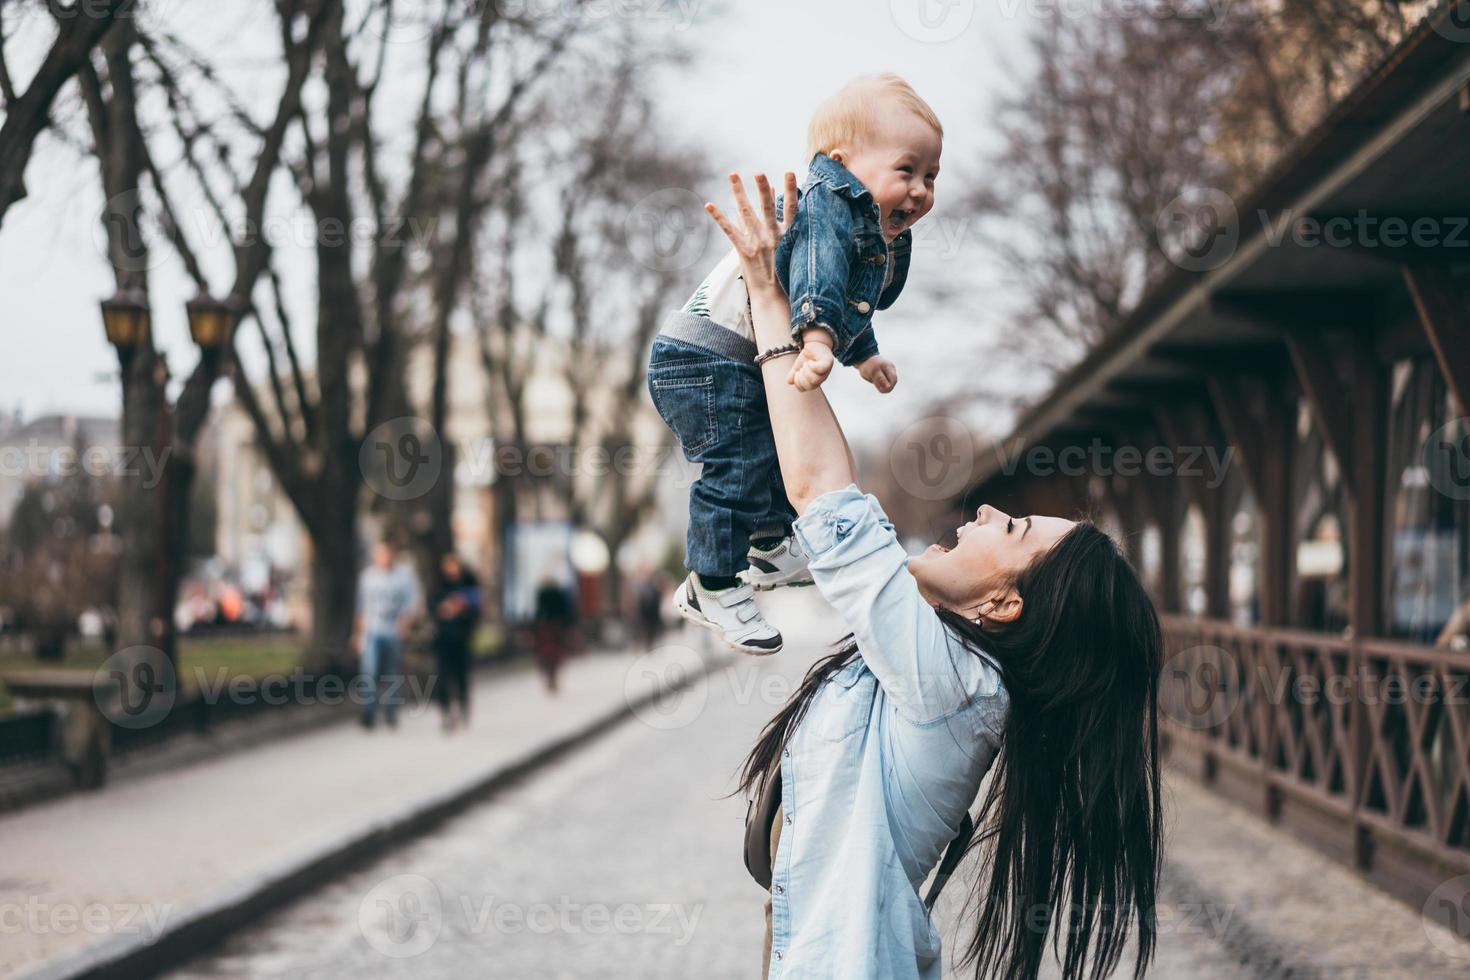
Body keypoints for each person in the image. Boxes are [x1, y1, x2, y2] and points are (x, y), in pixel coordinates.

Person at [707, 174, 1163, 980]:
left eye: (1011, 530)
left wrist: (769, 295)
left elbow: (823, 493)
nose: (985, 512)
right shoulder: (940, 672)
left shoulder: (955, 685)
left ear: (1003, 602)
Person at [648, 74, 943, 656]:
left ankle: (768, 544)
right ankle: (710, 581)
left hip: (727, 358)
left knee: (774, 447)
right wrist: (817, 340)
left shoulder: (865, 224)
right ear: (844, 163)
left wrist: (864, 354)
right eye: (906, 170)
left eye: (932, 176)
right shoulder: (827, 208)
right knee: (738, 462)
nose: (921, 191)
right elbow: (815, 276)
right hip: (706, 356)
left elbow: (844, 293)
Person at [351, 540, 421, 730]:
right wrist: (358, 634)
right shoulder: (368, 577)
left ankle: (391, 712)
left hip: (393, 631)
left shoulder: (404, 577)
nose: (382, 558)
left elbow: (412, 604)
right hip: (372, 630)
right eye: (379, 554)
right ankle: (369, 713)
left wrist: (405, 624)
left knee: (391, 673)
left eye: (386, 554)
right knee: (369, 671)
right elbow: (362, 607)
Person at [432, 553, 481, 731]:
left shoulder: (468, 587)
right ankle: (445, 712)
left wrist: (462, 609)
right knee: (443, 677)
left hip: (462, 638)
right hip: (443, 640)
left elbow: (476, 611)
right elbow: (433, 610)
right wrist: (444, 610)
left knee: (461, 677)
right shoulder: (440, 588)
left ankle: (463, 706)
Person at [532, 578, 576, 695]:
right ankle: (554, 679)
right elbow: (566, 610)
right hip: (558, 626)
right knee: (556, 654)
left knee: (547, 655)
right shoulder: (560, 594)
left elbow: (539, 611)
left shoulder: (542, 594)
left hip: (547, 626)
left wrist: (536, 626)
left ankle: (550, 679)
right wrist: (568, 625)